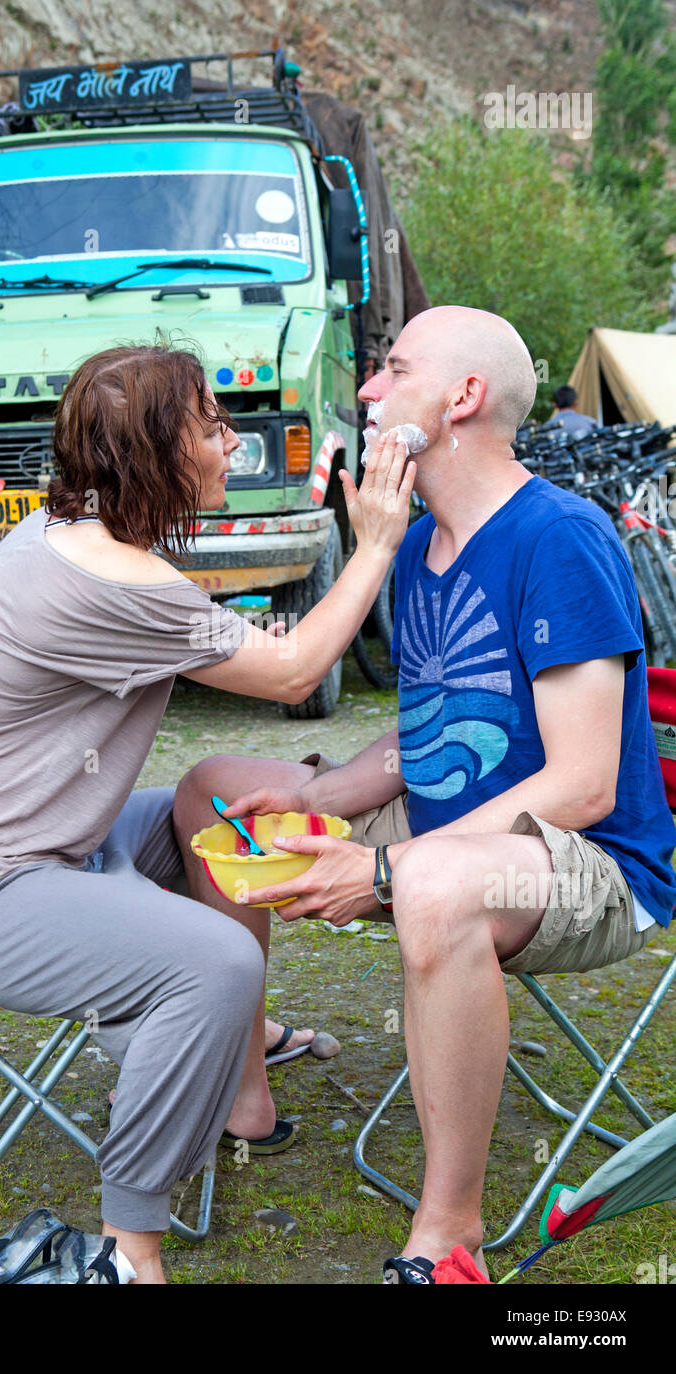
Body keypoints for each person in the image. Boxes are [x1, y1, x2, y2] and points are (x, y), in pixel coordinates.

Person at [173, 306, 676, 1284]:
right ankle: (243, 1094)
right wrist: (313, 792)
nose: (365, 388)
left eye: (390, 368)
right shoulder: (415, 548)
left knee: (438, 885)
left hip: (589, 864)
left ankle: (449, 1232)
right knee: (212, 788)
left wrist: (385, 867)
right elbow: (426, 734)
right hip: (447, 826)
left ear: (460, 398)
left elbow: (577, 786)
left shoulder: (557, 537)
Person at [0, 343, 414, 1284]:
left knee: (212, 787)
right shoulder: (113, 582)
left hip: (61, 850)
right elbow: (296, 672)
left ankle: (242, 1090)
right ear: (154, 453)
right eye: (211, 426)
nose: (230, 444)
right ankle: (130, 1250)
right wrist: (375, 542)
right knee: (207, 959)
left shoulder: (78, 534)